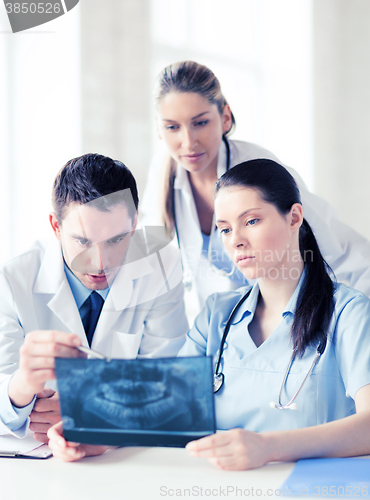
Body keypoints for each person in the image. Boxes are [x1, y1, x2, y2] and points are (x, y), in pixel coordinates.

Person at [48, 159, 370, 465]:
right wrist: (100, 435)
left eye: (252, 221)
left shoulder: (349, 314)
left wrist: (268, 449)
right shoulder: (218, 315)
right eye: (225, 229)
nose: (236, 241)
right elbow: (168, 407)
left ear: (294, 217)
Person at [141, 60, 370, 315]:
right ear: (159, 129)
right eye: (172, 127)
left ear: (225, 117)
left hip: (287, 320)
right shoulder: (162, 176)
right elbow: (151, 266)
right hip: (223, 328)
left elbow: (341, 249)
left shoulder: (257, 168)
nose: (188, 142)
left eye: (200, 123)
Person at [0, 153, 188, 442]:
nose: (100, 263)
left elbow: (167, 385)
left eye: (115, 240)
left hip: (122, 457)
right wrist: (23, 384)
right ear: (56, 226)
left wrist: (85, 410)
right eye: (82, 241)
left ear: (135, 222)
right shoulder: (13, 280)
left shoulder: (163, 265)